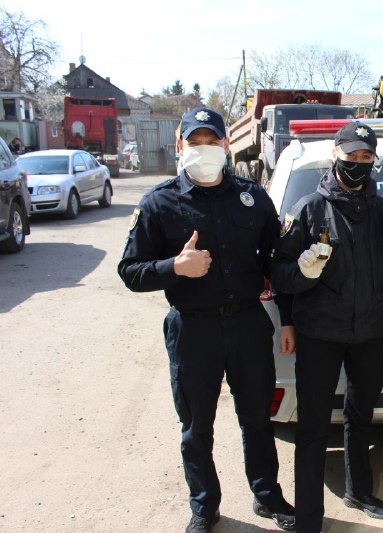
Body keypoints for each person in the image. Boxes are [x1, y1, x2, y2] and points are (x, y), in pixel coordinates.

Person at [117, 107, 296, 533]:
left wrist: (287, 319)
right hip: (193, 330)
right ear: (180, 146)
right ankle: (204, 505)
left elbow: (278, 263)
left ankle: (267, 495)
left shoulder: (252, 197)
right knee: (196, 425)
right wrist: (174, 268)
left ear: (226, 145)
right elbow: (129, 271)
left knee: (257, 418)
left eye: (211, 141)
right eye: (194, 142)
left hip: (248, 324)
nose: (203, 149)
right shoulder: (159, 202)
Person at [270, 121, 383, 533]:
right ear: (336, 154)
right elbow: (279, 275)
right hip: (320, 335)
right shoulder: (308, 210)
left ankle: (359, 491)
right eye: (351, 155)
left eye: (366, 156)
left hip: (371, 334)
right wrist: (301, 273)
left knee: (361, 416)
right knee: (313, 426)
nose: (358, 162)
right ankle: (308, 516)